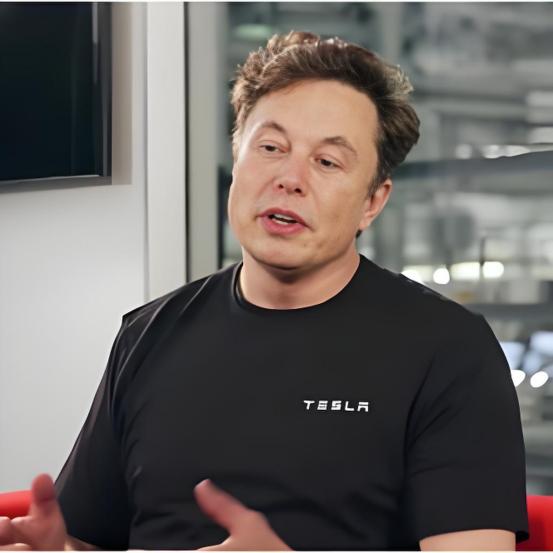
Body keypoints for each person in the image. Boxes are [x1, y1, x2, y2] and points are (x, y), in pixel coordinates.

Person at [0, 31, 528, 551]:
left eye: (327, 161)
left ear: (372, 202)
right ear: (237, 159)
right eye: (271, 148)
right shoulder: (147, 333)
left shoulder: (448, 348)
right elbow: (88, 538)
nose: (290, 178)